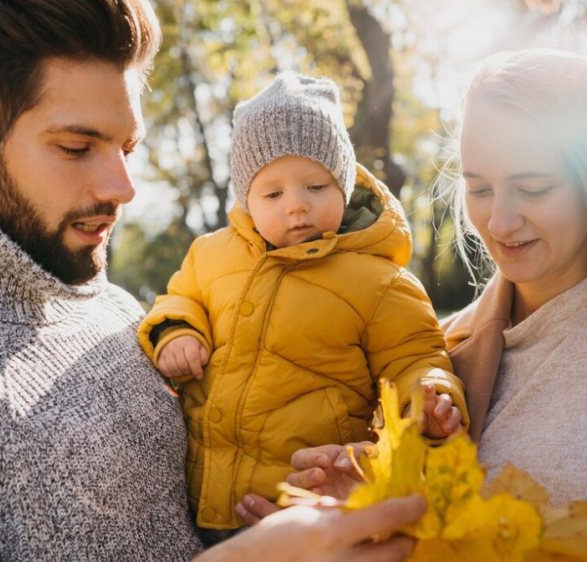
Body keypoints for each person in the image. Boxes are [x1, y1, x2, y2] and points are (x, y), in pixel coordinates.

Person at [0, 1, 427, 560]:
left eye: (127, 148)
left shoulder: (120, 312)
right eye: (77, 147)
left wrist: (307, 500)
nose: (123, 187)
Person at [242, 50, 587, 562]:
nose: (500, 222)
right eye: (480, 189)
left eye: (534, 187)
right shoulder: (436, 362)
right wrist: (367, 519)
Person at [137, 71, 467, 539]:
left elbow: (415, 355)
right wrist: (177, 331)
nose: (296, 206)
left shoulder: (378, 281)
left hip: (303, 505)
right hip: (200, 499)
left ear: (345, 186)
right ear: (247, 199)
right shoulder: (211, 255)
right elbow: (179, 297)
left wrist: (430, 400)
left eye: (316, 186)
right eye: (273, 193)